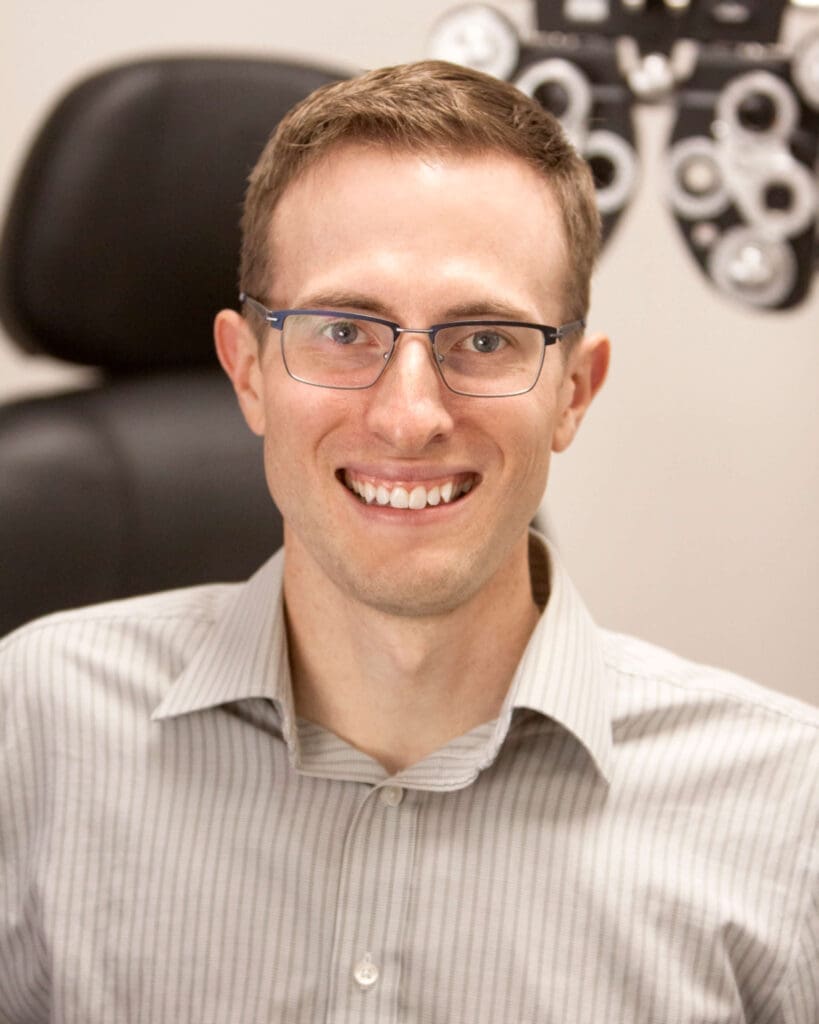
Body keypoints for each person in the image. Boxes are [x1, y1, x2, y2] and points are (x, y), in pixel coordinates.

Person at [0, 60, 816, 1024]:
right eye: (344, 330)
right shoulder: (31, 732)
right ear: (249, 371)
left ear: (574, 392)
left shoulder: (787, 818)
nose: (409, 416)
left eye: (484, 339)